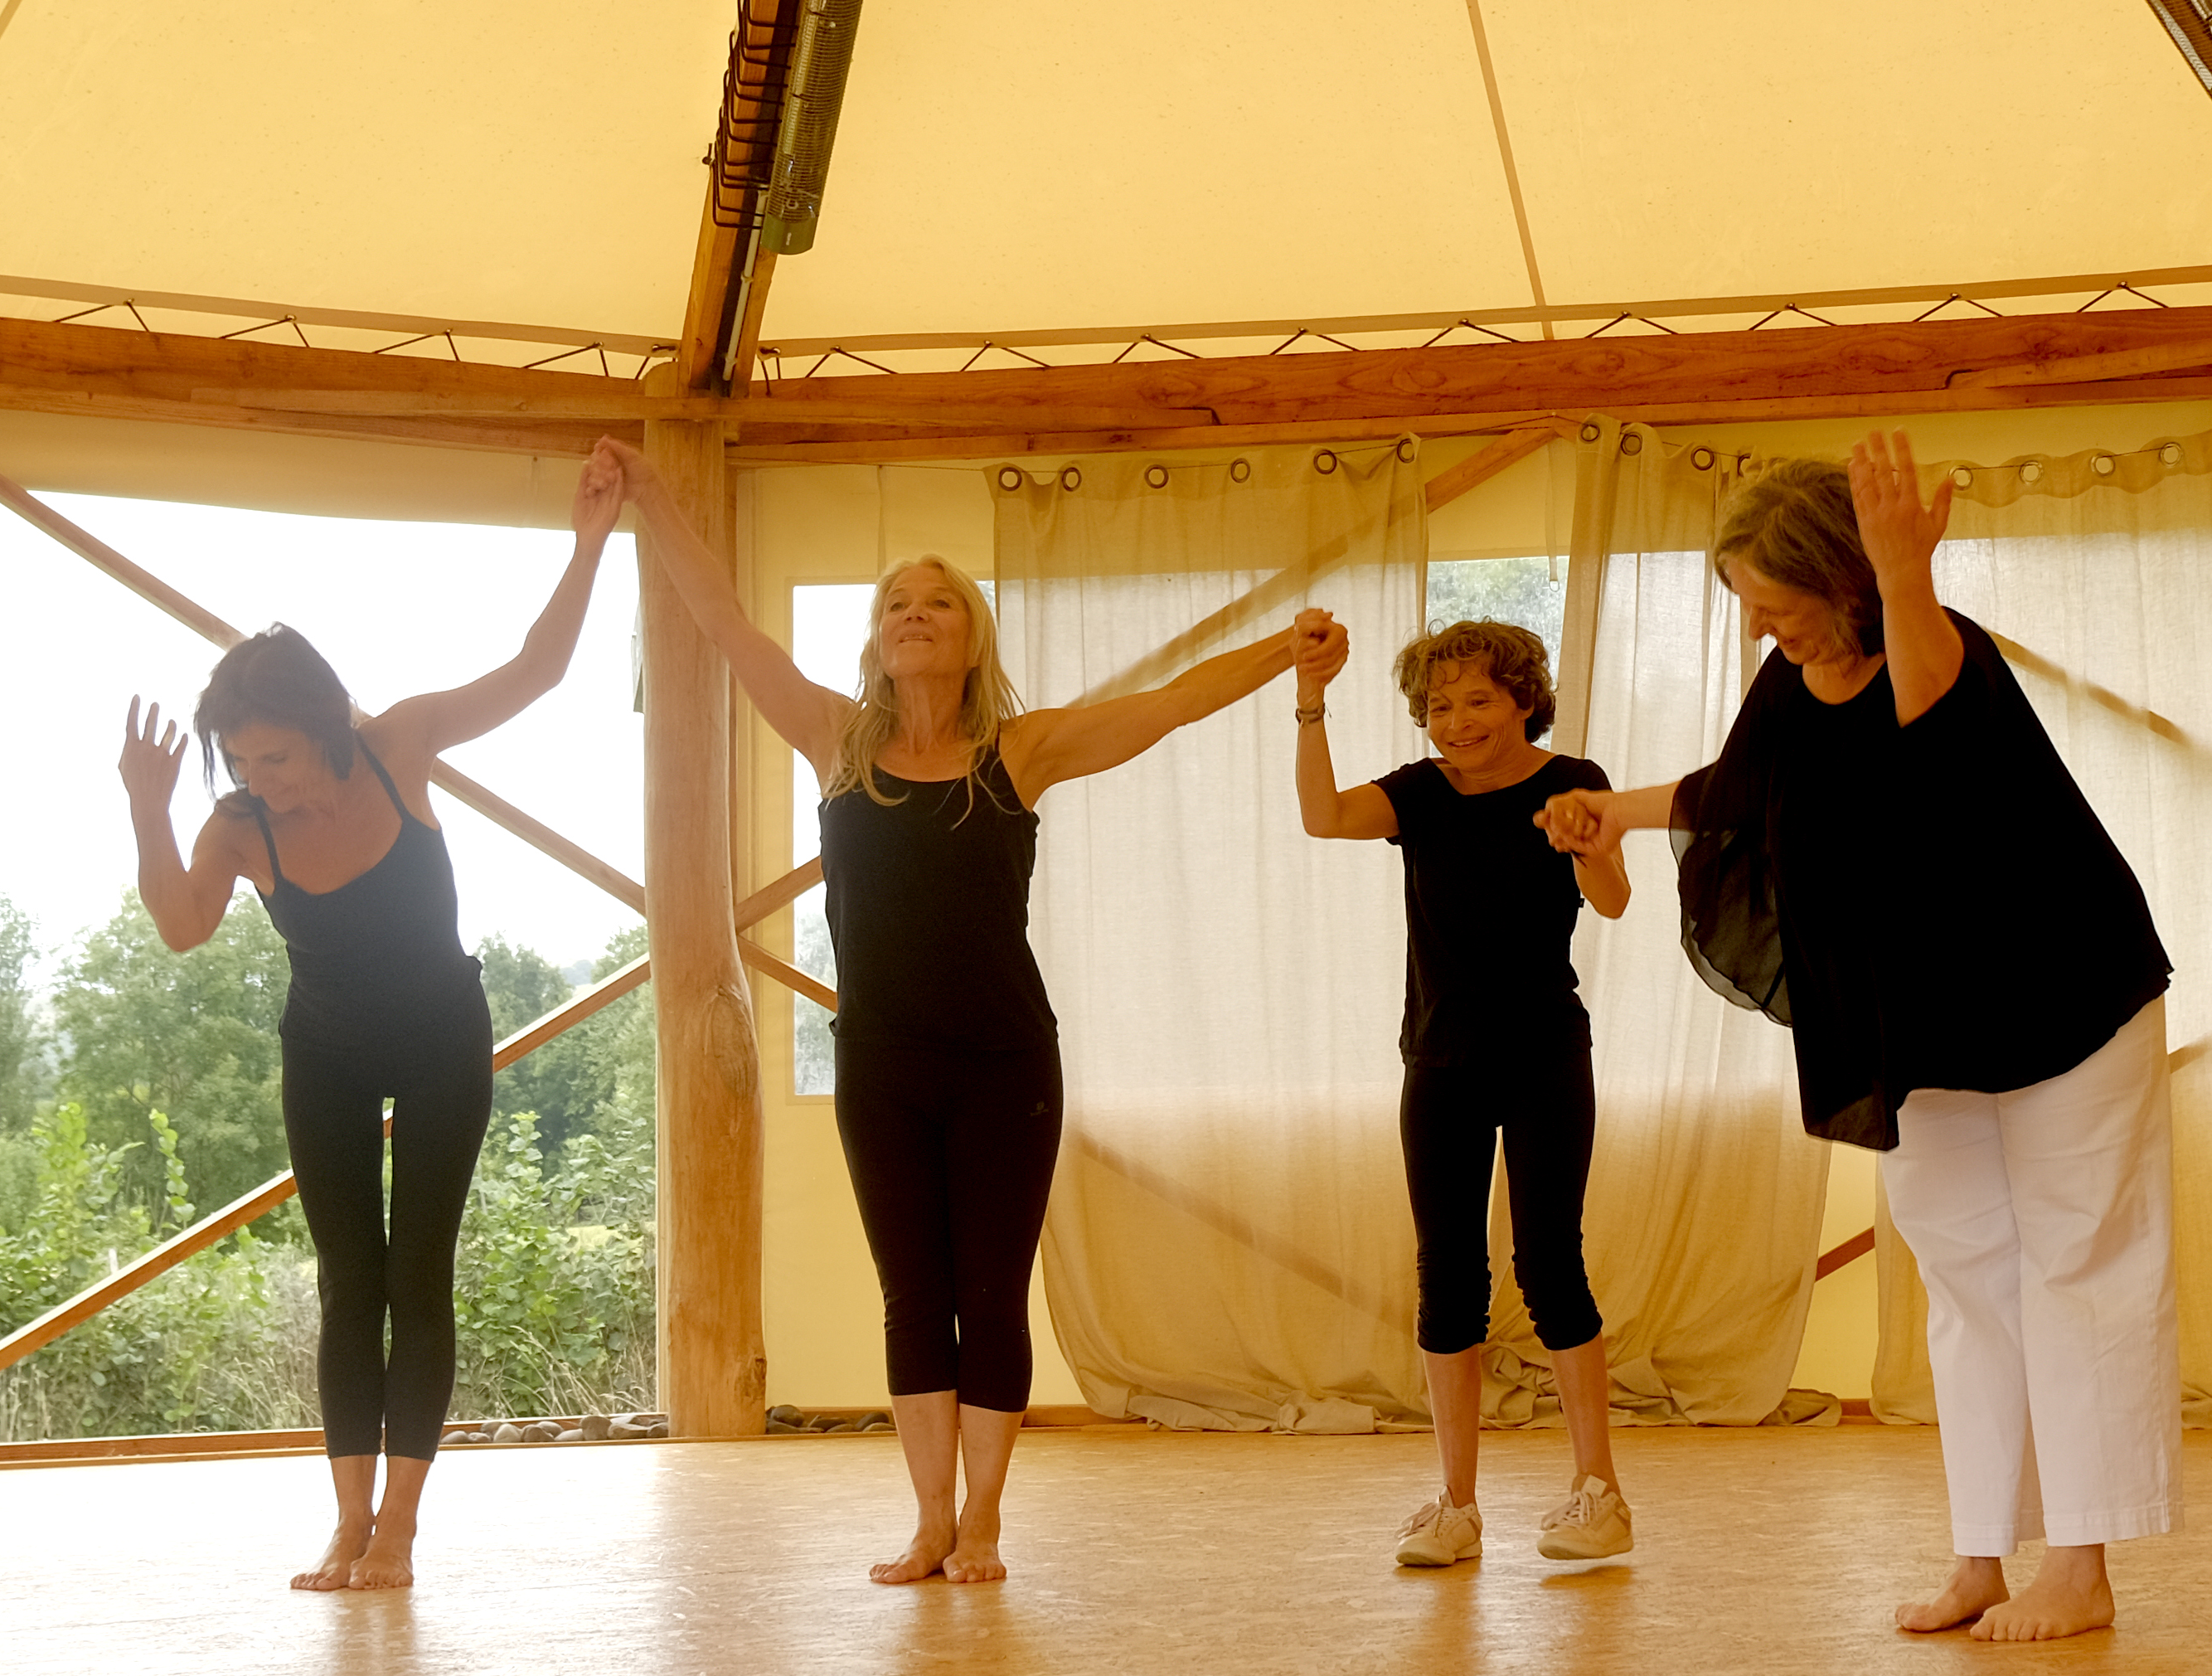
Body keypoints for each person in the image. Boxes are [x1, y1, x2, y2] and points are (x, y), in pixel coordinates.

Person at [610, 437, 1315, 1586]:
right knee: (913, 1294)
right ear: (877, 638)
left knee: (989, 1291)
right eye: (898, 602)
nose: (917, 613)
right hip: (882, 1062)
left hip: (1003, 1062)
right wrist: (649, 498)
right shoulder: (837, 739)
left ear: (971, 632)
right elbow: (728, 623)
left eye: (940, 601)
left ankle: (984, 1517)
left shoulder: (1018, 752)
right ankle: (928, 1518)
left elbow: (1170, 706)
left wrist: (1285, 650)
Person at [1538, 430, 2178, 1641]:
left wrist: (1903, 574)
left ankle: (2082, 1570)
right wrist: (1603, 813)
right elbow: (1735, 794)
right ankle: (1982, 1555)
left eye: (1773, 605)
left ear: (1842, 581)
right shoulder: (1790, 681)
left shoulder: (1944, 657)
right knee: (1965, 1282)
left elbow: (1924, 708)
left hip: (2066, 1001)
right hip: (1919, 1019)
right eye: (1748, 608)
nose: (1757, 631)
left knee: (2077, 1269)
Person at [116, 443, 622, 1591]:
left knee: (418, 1276)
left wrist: (588, 541)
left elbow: (536, 671)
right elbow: (183, 926)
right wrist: (151, 810)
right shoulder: (240, 828)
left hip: (443, 1039)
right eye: (241, 759)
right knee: (348, 1279)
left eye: (277, 754)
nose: (263, 776)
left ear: (324, 723)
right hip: (329, 1055)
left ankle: (399, 1531)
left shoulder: (398, 747)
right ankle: (346, 1523)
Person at [1294, 616, 1635, 1564]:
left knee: (1548, 1263)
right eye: (1438, 705)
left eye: (1476, 699)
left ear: (1522, 697)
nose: (1455, 720)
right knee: (1447, 1277)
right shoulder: (1418, 795)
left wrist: (1587, 845)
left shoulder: (1574, 780)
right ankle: (1454, 1504)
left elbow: (1612, 899)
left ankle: (1598, 1492)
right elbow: (1322, 816)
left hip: (1544, 1052)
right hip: (1438, 1057)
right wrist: (1311, 699)